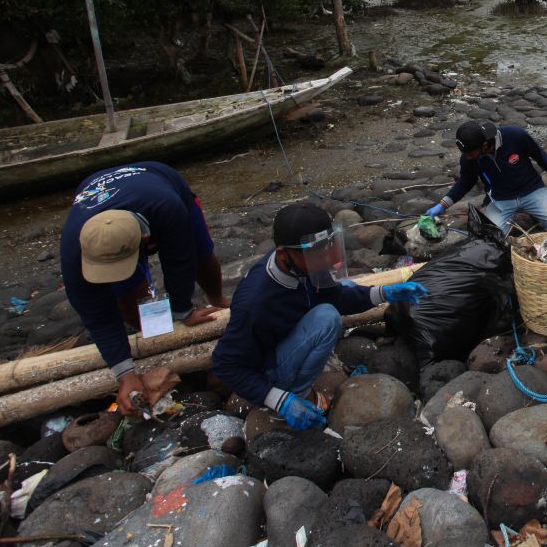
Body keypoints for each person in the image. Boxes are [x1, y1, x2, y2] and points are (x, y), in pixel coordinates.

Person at [211, 203, 427, 430]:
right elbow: (226, 364)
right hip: (265, 369)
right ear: (283, 254)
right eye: (316, 251)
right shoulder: (256, 303)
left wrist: (383, 292)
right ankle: (296, 392)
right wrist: (280, 400)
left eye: (327, 245)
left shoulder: (303, 265)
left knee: (335, 298)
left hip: (285, 340)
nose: (324, 257)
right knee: (327, 317)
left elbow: (336, 296)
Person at [61, 162, 228, 415]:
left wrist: (183, 310)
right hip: (102, 198)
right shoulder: (74, 252)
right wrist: (124, 374)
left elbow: (180, 260)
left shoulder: (168, 209)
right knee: (126, 295)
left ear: (145, 240)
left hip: (160, 184)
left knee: (201, 255)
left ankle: (217, 299)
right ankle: (153, 336)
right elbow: (97, 316)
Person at [426, 121, 547, 233]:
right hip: (500, 200)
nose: (467, 157)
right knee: (490, 237)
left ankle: (539, 216)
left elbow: (541, 157)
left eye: (470, 153)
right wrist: (442, 205)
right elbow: (465, 182)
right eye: (465, 153)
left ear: (484, 145)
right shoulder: (469, 158)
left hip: (532, 191)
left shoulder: (515, 136)